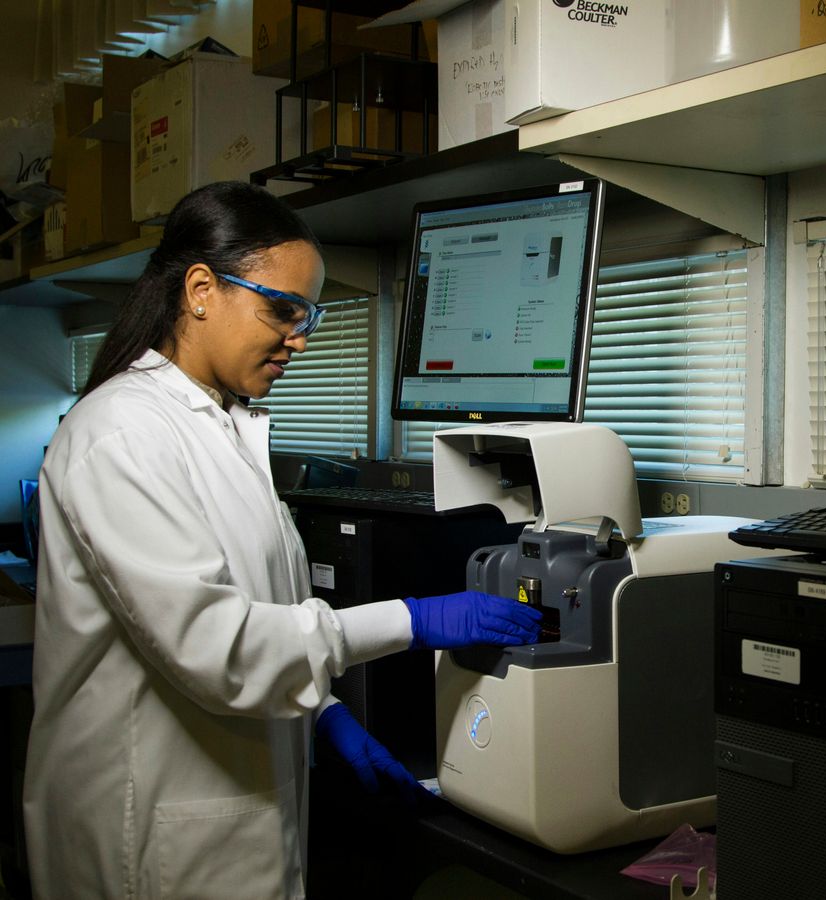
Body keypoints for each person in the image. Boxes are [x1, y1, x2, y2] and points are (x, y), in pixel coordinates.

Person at [22, 180, 541, 899]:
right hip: (149, 838)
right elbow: (218, 645)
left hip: (230, 824)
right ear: (201, 289)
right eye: (282, 311)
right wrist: (414, 619)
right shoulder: (121, 435)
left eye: (310, 316)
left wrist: (323, 714)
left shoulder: (222, 427)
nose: (299, 337)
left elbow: (268, 610)